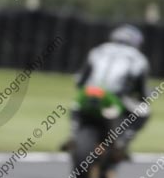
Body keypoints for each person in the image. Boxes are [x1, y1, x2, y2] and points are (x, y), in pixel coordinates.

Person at [63, 24, 150, 159]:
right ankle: (122, 142)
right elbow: (141, 89)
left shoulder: (98, 50)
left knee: (76, 105)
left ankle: (73, 134)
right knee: (144, 111)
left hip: (91, 91)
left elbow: (81, 79)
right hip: (116, 96)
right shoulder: (138, 58)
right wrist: (144, 97)